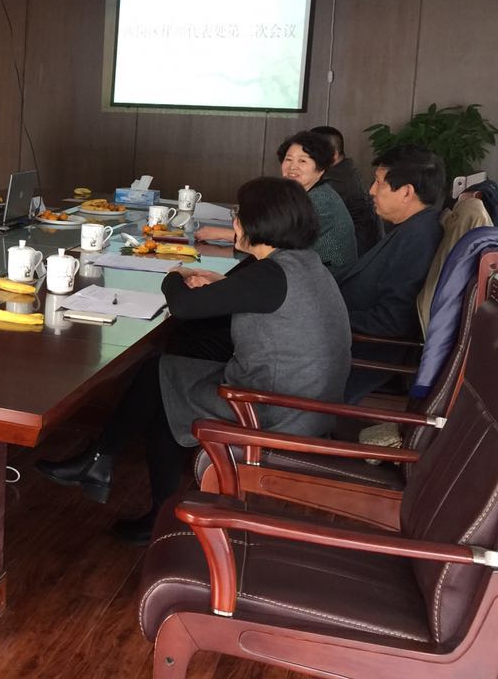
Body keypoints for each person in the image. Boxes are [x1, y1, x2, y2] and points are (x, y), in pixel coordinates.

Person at [36, 177, 351, 542]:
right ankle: (107, 469)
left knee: (164, 383)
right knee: (163, 376)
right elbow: (259, 296)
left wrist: (174, 275)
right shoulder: (302, 264)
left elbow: (184, 306)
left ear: (259, 223)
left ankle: (121, 481)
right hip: (306, 402)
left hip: (273, 409)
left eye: (238, 215)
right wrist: (222, 284)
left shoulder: (270, 275)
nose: (235, 222)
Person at [196, 130, 356, 274]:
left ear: (320, 169)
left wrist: (223, 234)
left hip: (327, 276)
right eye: (288, 159)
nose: (293, 167)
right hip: (305, 268)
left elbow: (278, 239)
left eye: (302, 161)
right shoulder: (300, 194)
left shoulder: (321, 199)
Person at [338, 144, 446, 340]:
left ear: (406, 192)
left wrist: (326, 318)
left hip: (358, 348)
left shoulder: (418, 239)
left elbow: (393, 322)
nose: (371, 190)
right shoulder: (413, 226)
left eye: (379, 183)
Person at [311, 125, 382, 254]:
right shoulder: (345, 170)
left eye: (311, 153)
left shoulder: (334, 183)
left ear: (333, 155)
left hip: (348, 254)